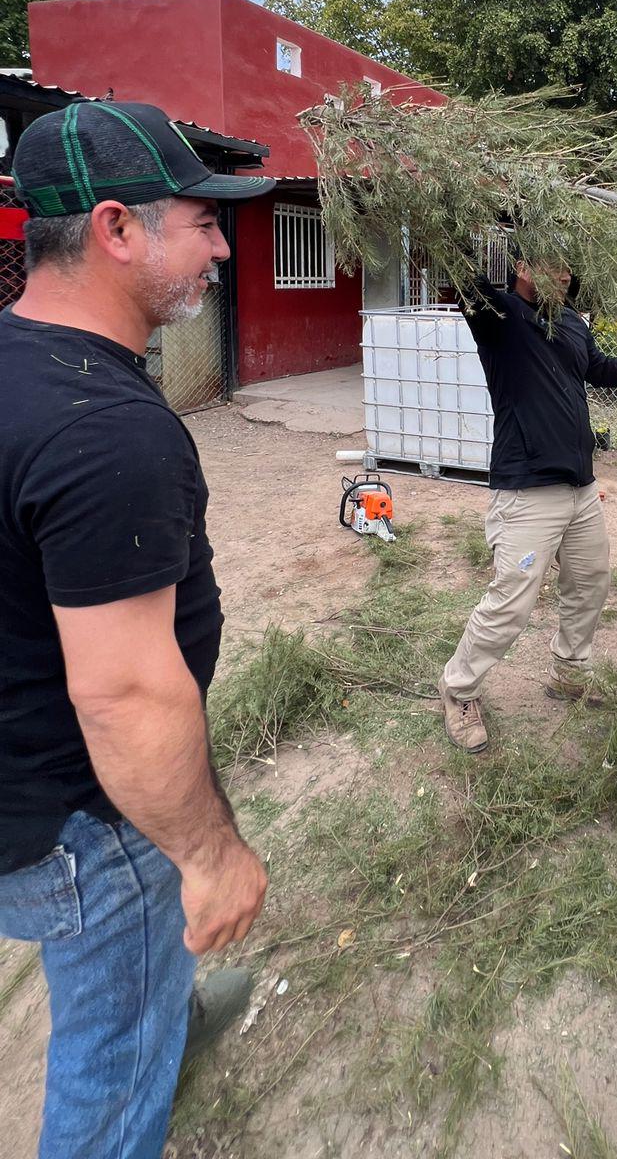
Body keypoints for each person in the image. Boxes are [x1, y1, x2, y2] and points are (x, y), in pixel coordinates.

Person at [0, 100, 276, 1159]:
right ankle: (143, 1066)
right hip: (88, 816)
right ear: (116, 229)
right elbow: (122, 693)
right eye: (200, 219)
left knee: (128, 979)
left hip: (27, 785)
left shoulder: (21, 365)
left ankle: (176, 1016)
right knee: (109, 1059)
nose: (221, 242)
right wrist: (208, 854)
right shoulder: (107, 433)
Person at [438, 253, 617, 752]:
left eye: (571, 264)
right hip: (528, 490)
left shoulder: (572, 322)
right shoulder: (498, 315)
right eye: (554, 263)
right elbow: (460, 267)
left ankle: (570, 672)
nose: (568, 272)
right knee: (511, 601)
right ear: (524, 266)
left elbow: (600, 371)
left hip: (581, 488)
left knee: (590, 584)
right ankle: (459, 689)